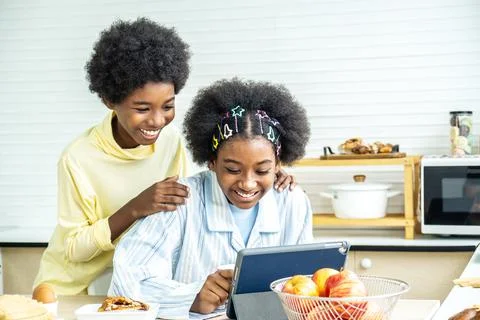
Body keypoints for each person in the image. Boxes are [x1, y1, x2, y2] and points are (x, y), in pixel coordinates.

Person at [33, 18, 295, 296]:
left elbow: (201, 185)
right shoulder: (78, 157)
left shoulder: (169, 141)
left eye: (168, 106)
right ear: (110, 100)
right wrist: (135, 208)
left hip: (135, 282)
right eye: (142, 108)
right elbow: (73, 249)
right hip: (74, 289)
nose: (158, 120)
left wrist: (262, 172)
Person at [109, 78, 312, 319]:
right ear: (212, 162)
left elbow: (310, 286)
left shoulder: (291, 201)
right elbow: (127, 279)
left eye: (262, 170)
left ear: (278, 165)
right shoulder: (180, 200)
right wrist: (190, 297)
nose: (247, 183)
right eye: (233, 170)